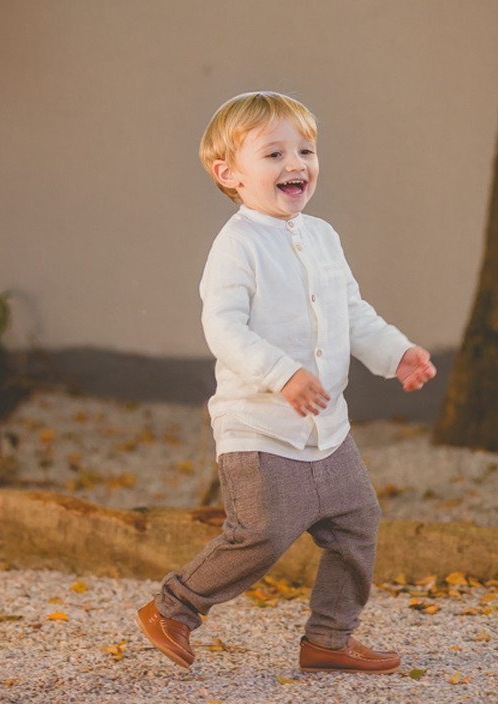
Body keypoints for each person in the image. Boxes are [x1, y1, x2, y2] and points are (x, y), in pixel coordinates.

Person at [136, 91, 437, 674]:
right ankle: (172, 609)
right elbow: (222, 327)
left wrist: (395, 352)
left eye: (305, 149)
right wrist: (283, 374)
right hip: (260, 426)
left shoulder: (322, 235)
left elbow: (351, 311)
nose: (295, 163)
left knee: (357, 524)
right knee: (263, 534)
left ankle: (328, 639)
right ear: (230, 174)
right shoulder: (237, 244)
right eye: (274, 153)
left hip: (326, 427)